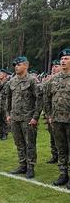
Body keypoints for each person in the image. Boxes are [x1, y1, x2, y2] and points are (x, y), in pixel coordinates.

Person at [6, 56, 43, 179]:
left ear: (26, 66)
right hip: (15, 118)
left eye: (19, 64)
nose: (16, 66)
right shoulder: (12, 81)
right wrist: (8, 114)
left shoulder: (32, 80)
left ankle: (30, 166)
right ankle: (22, 165)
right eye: (15, 65)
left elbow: (39, 99)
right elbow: (8, 99)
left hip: (28, 118)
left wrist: (35, 117)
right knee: (19, 143)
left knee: (30, 143)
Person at [44, 48, 70, 187]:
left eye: (66, 58)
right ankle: (63, 174)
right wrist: (49, 115)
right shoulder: (53, 80)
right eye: (62, 59)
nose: (63, 61)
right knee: (61, 148)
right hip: (57, 120)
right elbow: (46, 98)